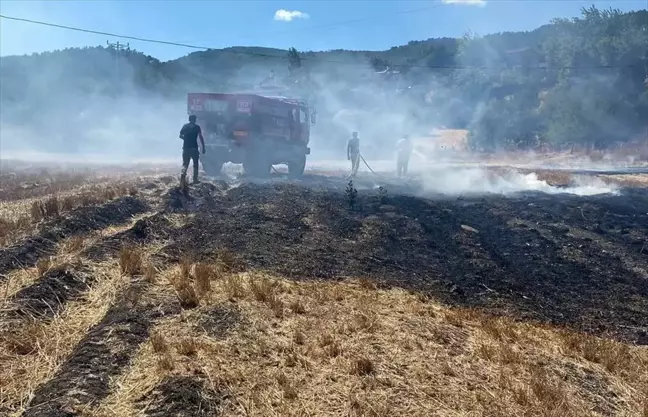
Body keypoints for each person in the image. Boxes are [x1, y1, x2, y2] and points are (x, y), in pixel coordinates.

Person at [179, 114, 205, 184]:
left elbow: (180, 135)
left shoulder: (185, 126)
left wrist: (186, 139)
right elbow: (201, 137)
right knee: (195, 164)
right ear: (194, 120)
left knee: (185, 164)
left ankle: (182, 178)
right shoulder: (197, 127)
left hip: (186, 148)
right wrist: (203, 147)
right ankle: (195, 179)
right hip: (194, 148)